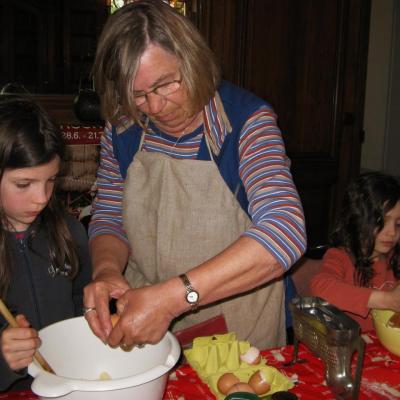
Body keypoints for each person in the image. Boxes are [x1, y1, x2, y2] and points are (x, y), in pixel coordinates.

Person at [84, 0, 306, 351]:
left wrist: (173, 298)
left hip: (238, 330)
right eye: (138, 94)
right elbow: (111, 214)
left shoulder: (247, 123)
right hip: (144, 315)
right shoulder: (123, 128)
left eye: (166, 84)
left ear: (193, 61)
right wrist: (107, 271)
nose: (154, 107)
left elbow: (285, 231)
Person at [0, 95, 92, 391]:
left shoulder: (70, 232)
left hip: (68, 382)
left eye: (51, 180)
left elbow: (81, 301)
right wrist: (4, 360)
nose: (42, 198)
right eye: (24, 184)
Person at [310, 171, 400, 332]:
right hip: (348, 349)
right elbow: (320, 287)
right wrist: (386, 300)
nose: (392, 232)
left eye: (398, 224)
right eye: (381, 222)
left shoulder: (394, 259)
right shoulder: (340, 257)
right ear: (357, 220)